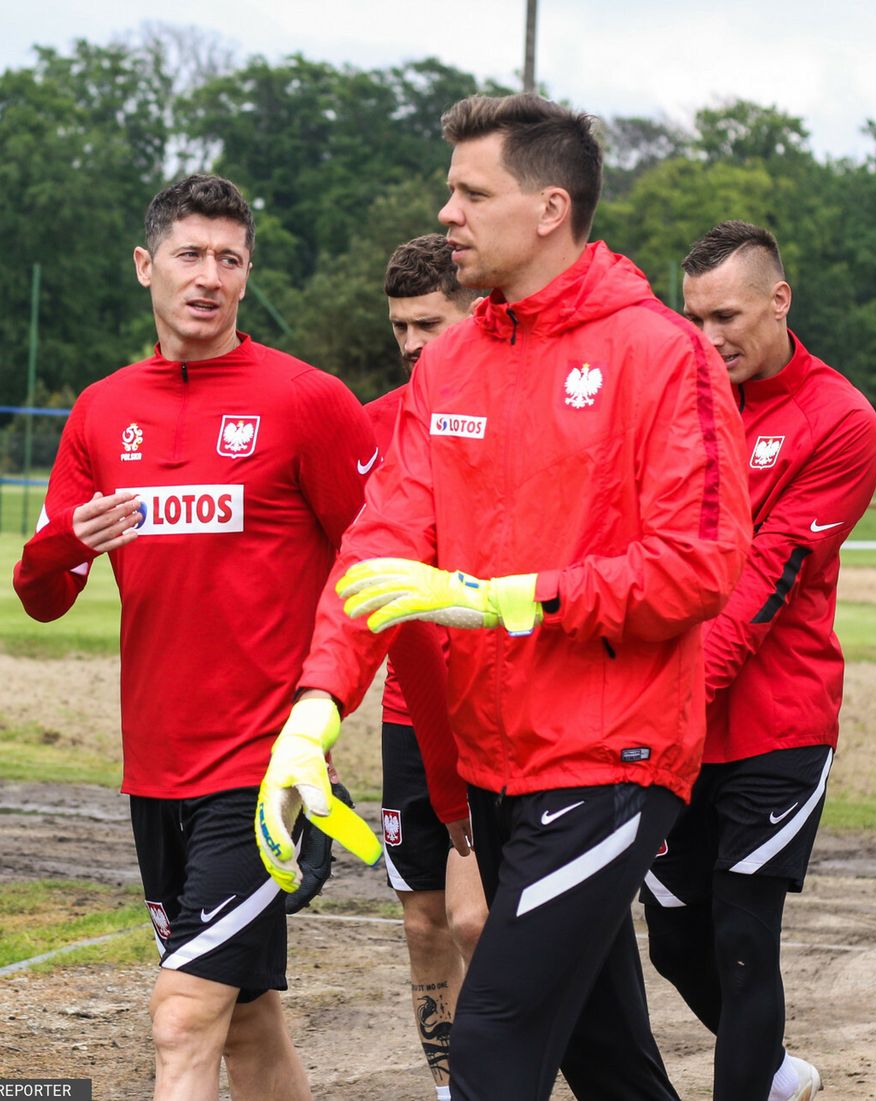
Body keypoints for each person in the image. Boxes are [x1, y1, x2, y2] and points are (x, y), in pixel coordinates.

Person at [254, 94, 752, 1101]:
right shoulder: (451, 362)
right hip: (493, 772)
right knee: (607, 1061)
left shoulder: (662, 356)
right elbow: (380, 547)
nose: (446, 211)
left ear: (548, 209)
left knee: (491, 1041)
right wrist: (311, 716)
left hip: (612, 762)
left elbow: (697, 563)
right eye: (449, 189)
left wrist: (500, 599)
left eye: (470, 191)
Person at [13, 174, 375, 1101]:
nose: (208, 275)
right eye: (189, 254)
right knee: (247, 1021)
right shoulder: (100, 410)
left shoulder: (309, 401)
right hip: (156, 766)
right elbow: (44, 593)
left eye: (230, 258)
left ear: (247, 275)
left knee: (182, 1016)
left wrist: (325, 717)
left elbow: (374, 563)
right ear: (146, 266)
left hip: (262, 771)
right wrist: (65, 539)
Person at [641, 220, 876, 1101]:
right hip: (672, 726)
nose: (708, 337)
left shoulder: (840, 420)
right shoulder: (674, 399)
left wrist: (665, 698)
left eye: (728, 315)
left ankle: (750, 1075)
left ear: (779, 301)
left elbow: (761, 588)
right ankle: (772, 1069)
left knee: (745, 938)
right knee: (672, 936)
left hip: (775, 726)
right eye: (693, 315)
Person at [375, 234, 488, 1100]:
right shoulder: (376, 424)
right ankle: (455, 1086)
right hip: (413, 714)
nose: (412, 344)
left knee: (479, 918)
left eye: (429, 323)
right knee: (423, 923)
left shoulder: (513, 414)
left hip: (500, 709)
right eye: (400, 328)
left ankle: (508, 1075)